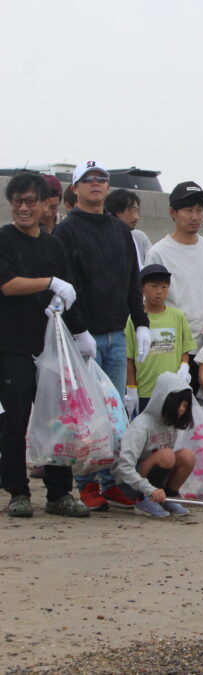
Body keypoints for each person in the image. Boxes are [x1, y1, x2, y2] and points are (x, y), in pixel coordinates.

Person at [54, 160, 149, 511]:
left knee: (114, 416)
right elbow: (66, 286)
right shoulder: (66, 232)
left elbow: (131, 279)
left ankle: (111, 482)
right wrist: (79, 330)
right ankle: (86, 483)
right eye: (88, 179)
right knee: (86, 415)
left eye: (102, 179)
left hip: (115, 334)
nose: (96, 184)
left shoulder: (120, 230)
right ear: (75, 188)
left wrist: (140, 323)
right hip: (84, 337)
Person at [1, 172, 90, 518]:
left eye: (30, 201)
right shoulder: (4, 240)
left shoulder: (53, 245)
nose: (23, 208)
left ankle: (58, 493)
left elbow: (67, 292)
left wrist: (79, 331)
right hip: (12, 346)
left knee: (58, 418)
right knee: (16, 420)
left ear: (44, 206)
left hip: (51, 347)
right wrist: (50, 282)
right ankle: (18, 492)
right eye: (17, 201)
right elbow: (7, 284)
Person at [144, 181, 203, 390]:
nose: (195, 217)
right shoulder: (158, 253)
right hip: (177, 351)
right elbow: (150, 306)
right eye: (188, 210)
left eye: (200, 210)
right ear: (172, 213)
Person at [113, 372, 196, 518]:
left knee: (187, 456)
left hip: (153, 483)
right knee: (167, 455)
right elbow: (123, 466)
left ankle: (167, 497)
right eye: (179, 404)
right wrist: (149, 489)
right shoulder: (141, 424)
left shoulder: (170, 425)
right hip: (130, 485)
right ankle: (144, 500)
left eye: (185, 405)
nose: (182, 409)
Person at [125, 264, 194, 418]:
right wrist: (131, 388)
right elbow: (129, 357)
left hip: (173, 390)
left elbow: (185, 349)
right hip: (146, 390)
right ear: (142, 288)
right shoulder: (133, 319)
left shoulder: (178, 316)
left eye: (164, 287)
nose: (159, 291)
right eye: (154, 286)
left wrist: (184, 366)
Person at [105, 188, 151, 265]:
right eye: (133, 210)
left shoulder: (139, 237)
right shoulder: (101, 238)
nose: (137, 217)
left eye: (137, 211)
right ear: (118, 210)